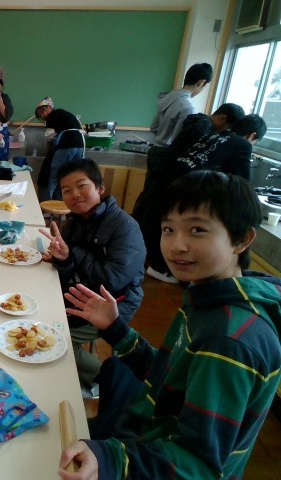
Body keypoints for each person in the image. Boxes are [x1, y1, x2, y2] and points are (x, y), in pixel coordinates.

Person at [57, 171, 281, 479]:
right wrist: (115, 327)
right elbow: (170, 378)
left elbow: (199, 465)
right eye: (168, 229)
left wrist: (111, 459)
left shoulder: (227, 340)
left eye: (197, 230)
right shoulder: (209, 298)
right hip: (147, 427)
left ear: (242, 239)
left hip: (154, 454)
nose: (177, 245)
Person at [38, 159, 145, 393]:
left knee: (56, 341)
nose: (74, 195)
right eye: (67, 190)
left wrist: (73, 253)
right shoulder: (73, 225)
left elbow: (112, 279)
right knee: (40, 318)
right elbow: (69, 273)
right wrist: (62, 260)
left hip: (116, 302)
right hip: (83, 294)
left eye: (81, 186)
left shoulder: (125, 227)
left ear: (100, 188)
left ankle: (107, 382)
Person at [133, 102, 245, 284]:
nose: (224, 132)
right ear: (223, 118)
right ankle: (160, 267)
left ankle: (155, 264)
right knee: (164, 224)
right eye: (226, 127)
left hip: (165, 176)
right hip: (174, 181)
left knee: (160, 222)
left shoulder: (198, 122)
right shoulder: (205, 128)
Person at [170, 113, 267, 181]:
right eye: (254, 142)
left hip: (173, 177)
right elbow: (243, 183)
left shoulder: (214, 134)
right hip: (193, 187)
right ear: (252, 136)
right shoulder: (243, 144)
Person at [150, 62, 213, 148]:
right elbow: (178, 140)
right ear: (201, 83)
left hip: (155, 148)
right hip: (168, 152)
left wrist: (162, 137)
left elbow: (153, 128)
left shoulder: (168, 96)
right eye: (204, 87)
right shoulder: (187, 107)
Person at [34, 97, 85, 201]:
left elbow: (50, 136)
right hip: (80, 145)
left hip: (66, 145)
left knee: (54, 177)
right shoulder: (65, 114)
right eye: (40, 115)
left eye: (43, 112)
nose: (43, 116)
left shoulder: (52, 116)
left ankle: (50, 204)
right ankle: (67, 205)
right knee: (72, 176)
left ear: (49, 107)